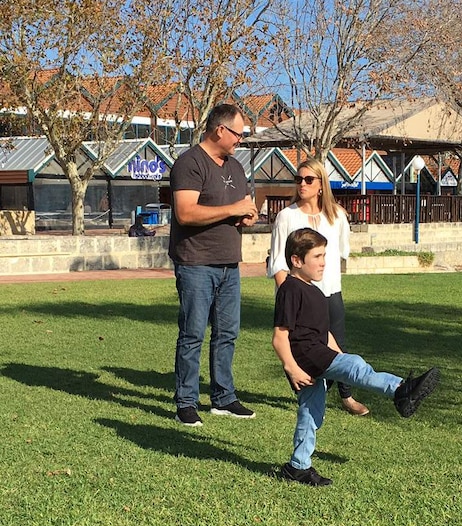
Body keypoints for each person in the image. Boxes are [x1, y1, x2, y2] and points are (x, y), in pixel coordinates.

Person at [272, 228, 440, 486]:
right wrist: (291, 367)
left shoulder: (315, 291)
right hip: (305, 357)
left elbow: (324, 333)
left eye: (324, 255)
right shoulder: (290, 289)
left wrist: (340, 357)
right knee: (356, 366)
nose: (324, 262)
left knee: (311, 412)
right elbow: (280, 336)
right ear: (297, 260)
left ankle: (298, 467)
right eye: (317, 256)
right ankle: (401, 391)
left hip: (317, 355)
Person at [168, 103, 259, 427]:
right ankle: (186, 402)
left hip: (228, 264)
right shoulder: (189, 164)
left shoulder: (234, 167)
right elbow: (186, 213)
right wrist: (233, 207)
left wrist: (245, 215)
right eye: (238, 134)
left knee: (227, 334)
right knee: (192, 334)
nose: (240, 141)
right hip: (196, 263)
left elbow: (235, 208)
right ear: (220, 130)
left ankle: (223, 398)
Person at [268, 158, 370, 416]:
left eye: (308, 180)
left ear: (321, 185)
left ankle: (346, 396)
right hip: (299, 298)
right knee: (302, 348)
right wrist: (288, 293)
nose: (302, 184)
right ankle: (307, 392)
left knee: (338, 345)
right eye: (298, 179)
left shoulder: (336, 216)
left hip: (330, 292)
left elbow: (341, 253)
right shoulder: (286, 217)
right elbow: (279, 261)